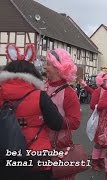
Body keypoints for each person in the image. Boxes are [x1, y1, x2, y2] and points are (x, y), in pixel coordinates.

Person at [0, 44, 63, 180]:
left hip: (4, 155)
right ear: (33, 74)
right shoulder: (40, 96)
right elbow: (57, 124)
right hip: (36, 156)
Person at [45, 48, 81, 180]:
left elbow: (75, 122)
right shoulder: (42, 87)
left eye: (48, 63)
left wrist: (55, 121)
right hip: (39, 145)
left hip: (59, 147)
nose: (45, 67)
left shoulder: (69, 93)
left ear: (58, 67)